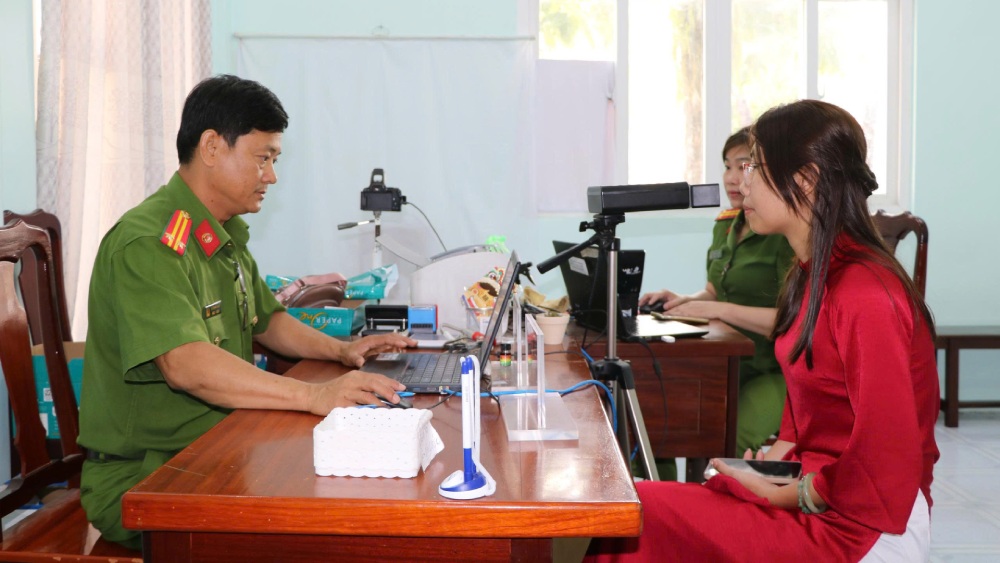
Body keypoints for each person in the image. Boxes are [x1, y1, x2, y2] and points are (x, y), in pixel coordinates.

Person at [587, 100, 939, 561]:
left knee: (642, 512)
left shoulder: (864, 290)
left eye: (754, 166)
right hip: (817, 490)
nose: (741, 182)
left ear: (806, 179)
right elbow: (809, 409)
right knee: (637, 507)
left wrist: (776, 494)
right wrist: (771, 464)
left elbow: (884, 461)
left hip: (865, 524)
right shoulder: (810, 274)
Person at [77, 74, 416, 549]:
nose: (272, 176)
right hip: (149, 474)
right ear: (212, 147)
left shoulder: (222, 234)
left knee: (359, 492)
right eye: (263, 158)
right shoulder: (151, 243)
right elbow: (186, 366)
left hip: (219, 447)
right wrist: (313, 396)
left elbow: (268, 320)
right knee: (329, 533)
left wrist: (343, 352)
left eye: (274, 160)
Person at [639, 127, 796, 454]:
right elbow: (715, 290)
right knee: (659, 420)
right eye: (727, 166)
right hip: (726, 363)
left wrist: (716, 310)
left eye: (743, 166)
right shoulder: (727, 224)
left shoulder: (784, 232)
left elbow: (795, 320)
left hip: (774, 370)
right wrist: (683, 301)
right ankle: (666, 496)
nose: (730, 177)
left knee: (728, 440)